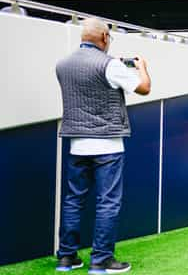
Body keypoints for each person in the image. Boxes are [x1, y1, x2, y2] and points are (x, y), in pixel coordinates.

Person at [55, 18, 151, 273]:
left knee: (73, 201)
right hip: (108, 145)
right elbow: (144, 88)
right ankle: (101, 260)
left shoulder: (62, 65)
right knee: (108, 202)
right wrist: (142, 67)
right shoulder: (110, 65)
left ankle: (66, 258)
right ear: (105, 38)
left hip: (76, 144)